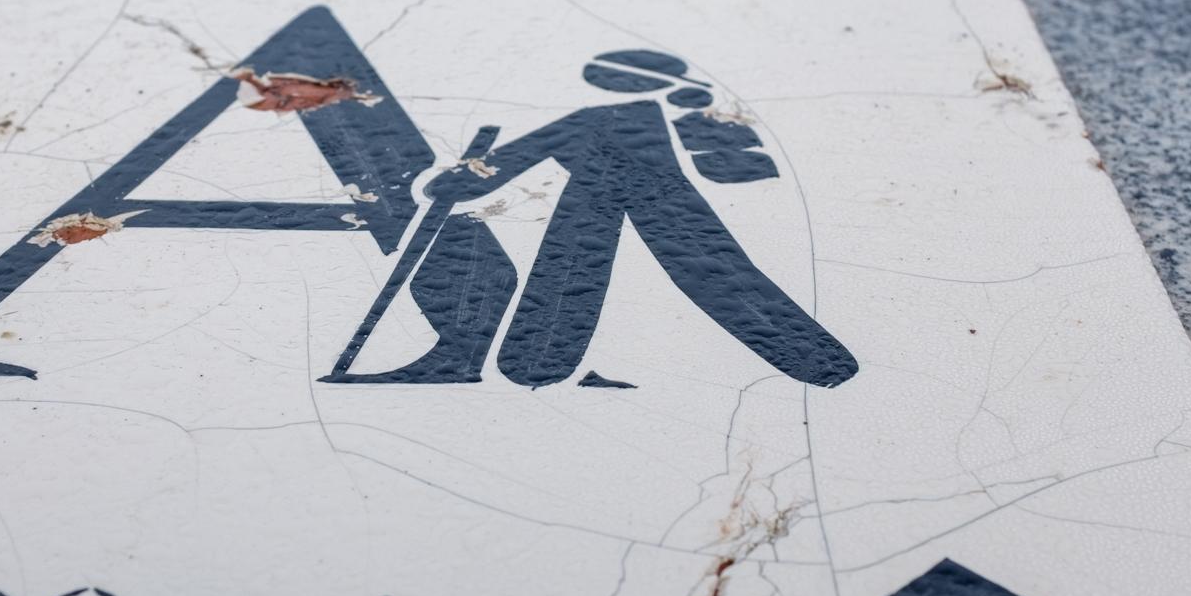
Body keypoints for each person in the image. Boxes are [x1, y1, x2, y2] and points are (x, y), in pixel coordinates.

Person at [342, 50, 858, 390]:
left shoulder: (608, 120)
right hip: (628, 197)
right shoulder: (620, 121)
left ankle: (822, 364)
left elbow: (503, 164)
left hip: (643, 198)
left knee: (647, 271)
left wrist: (459, 182)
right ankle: (535, 364)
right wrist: (461, 181)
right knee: (624, 269)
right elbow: (503, 166)